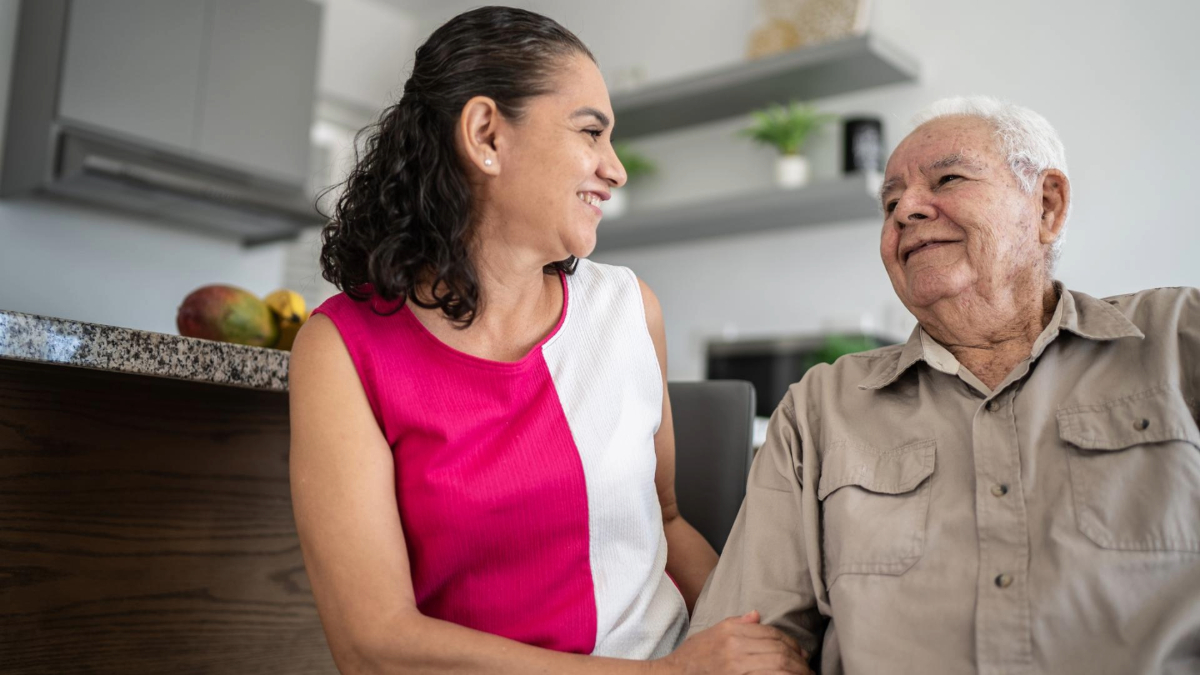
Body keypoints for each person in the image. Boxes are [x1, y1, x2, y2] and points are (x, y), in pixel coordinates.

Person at [288, 7, 806, 674]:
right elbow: (374, 644)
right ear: (486, 135)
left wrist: (748, 637)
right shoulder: (342, 349)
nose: (615, 170)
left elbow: (669, 521)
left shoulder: (628, 309)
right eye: (591, 131)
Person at [689, 95, 1200, 674]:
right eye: (889, 202)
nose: (906, 208)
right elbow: (739, 646)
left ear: (1047, 207)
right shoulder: (820, 407)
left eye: (948, 178)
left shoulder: (1180, 339)